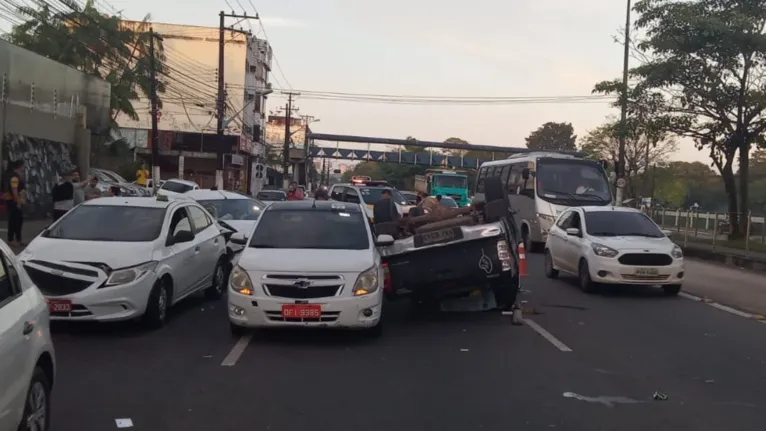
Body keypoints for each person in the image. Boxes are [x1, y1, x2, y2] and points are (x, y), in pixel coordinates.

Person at [2, 160, 25, 246]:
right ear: (20, 167)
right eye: (23, 166)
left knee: (15, 221)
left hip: (13, 201)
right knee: (16, 221)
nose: (24, 168)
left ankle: (15, 239)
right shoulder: (14, 177)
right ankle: (14, 240)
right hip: (13, 201)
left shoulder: (15, 176)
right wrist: (18, 202)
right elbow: (14, 190)